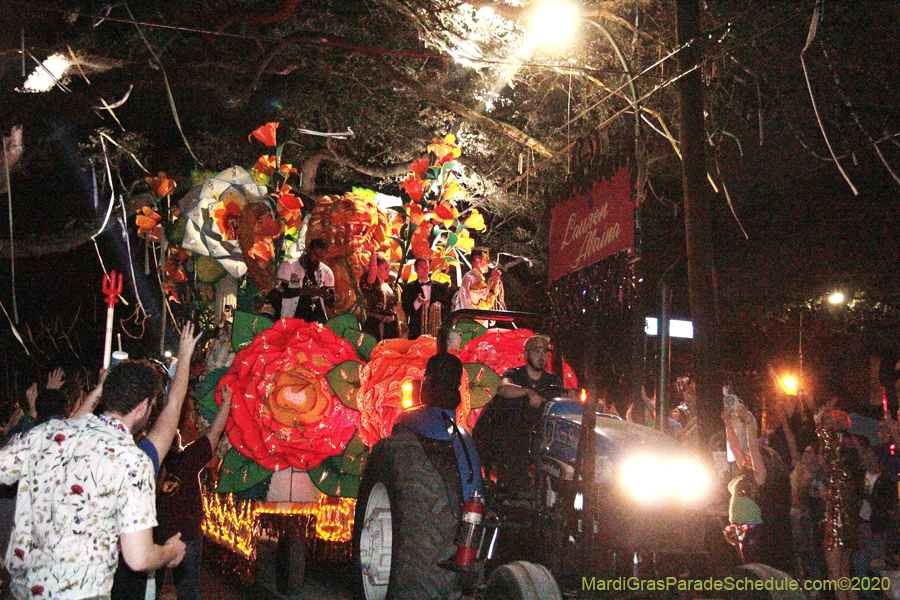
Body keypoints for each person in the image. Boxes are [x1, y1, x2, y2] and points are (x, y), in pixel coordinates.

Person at [0, 360, 186, 599]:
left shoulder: (46, 433)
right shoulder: (132, 461)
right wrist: (170, 551)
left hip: (21, 592)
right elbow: (139, 558)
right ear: (142, 408)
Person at [109, 323, 202, 600]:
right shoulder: (138, 460)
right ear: (142, 409)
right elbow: (174, 405)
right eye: (150, 406)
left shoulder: (60, 436)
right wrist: (171, 551)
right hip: (117, 585)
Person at [154, 386, 232, 600]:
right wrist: (226, 403)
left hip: (163, 538)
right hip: (178, 538)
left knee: (152, 592)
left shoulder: (159, 459)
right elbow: (214, 433)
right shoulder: (181, 459)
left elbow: (214, 434)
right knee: (185, 593)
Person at [473, 335, 563, 489]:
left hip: (542, 434)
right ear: (526, 354)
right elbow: (503, 389)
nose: (541, 356)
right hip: (515, 435)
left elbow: (560, 400)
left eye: (544, 352)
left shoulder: (553, 381)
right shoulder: (515, 375)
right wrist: (528, 392)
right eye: (536, 352)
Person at [817, 408, 863, 600]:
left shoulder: (838, 447)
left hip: (837, 519)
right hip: (848, 519)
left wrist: (820, 423)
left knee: (836, 575)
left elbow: (825, 457)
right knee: (845, 575)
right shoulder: (852, 445)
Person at [273, 237, 336, 322]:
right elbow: (277, 293)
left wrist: (326, 295)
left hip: (317, 320)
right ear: (308, 250)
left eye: (321, 257)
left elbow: (332, 302)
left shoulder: (326, 271)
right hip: (293, 318)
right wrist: (304, 291)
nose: (318, 259)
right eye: (315, 255)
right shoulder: (289, 265)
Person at [401, 258, 450, 339]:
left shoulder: (440, 287)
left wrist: (437, 308)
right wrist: (418, 301)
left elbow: (447, 307)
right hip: (416, 332)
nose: (425, 270)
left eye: (426, 267)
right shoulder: (409, 288)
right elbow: (407, 310)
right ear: (415, 270)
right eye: (421, 268)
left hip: (435, 332)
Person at [361, 252, 399, 341]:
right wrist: (373, 254)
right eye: (385, 268)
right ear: (376, 269)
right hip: (375, 326)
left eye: (389, 268)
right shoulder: (372, 285)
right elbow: (372, 274)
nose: (388, 271)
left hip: (391, 327)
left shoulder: (389, 286)